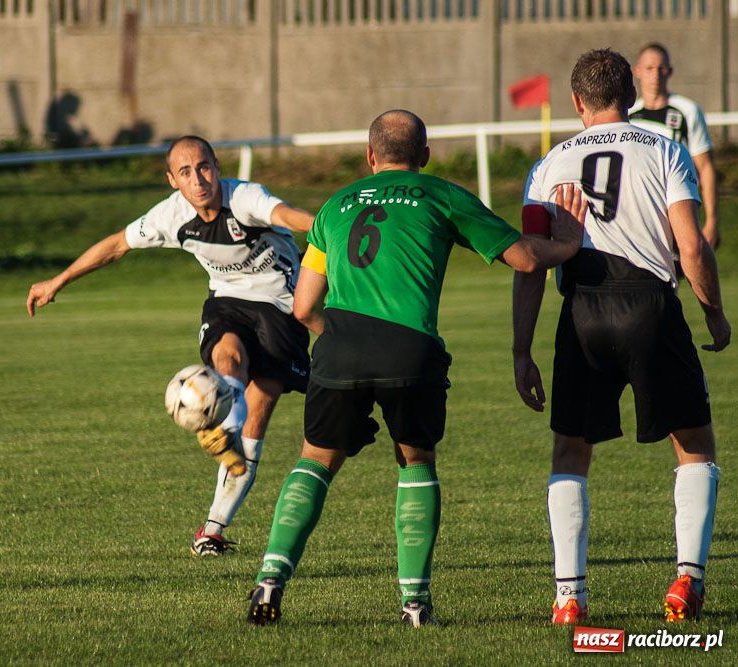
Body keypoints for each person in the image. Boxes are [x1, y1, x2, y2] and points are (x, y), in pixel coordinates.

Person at [246, 109, 585, 627]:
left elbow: (304, 306)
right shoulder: (443, 196)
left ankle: (270, 579)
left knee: (314, 462)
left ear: (370, 155)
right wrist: (568, 243)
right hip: (410, 351)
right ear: (425, 156)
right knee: (416, 462)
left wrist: (344, 345)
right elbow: (525, 258)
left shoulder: (335, 205)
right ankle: (414, 604)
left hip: (339, 348)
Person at [513, 48, 729, 625]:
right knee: (694, 443)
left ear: (577, 102)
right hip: (650, 305)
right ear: (631, 97)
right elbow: (690, 245)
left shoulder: (549, 166)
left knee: (570, 451)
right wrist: (713, 313)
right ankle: (687, 580)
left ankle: (569, 598)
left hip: (581, 308)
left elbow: (529, 262)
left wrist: (520, 350)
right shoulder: (664, 149)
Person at [26, 136, 315, 556]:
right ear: (172, 180)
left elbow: (286, 214)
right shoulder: (172, 215)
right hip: (229, 301)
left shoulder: (245, 198)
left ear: (217, 167)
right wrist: (57, 281)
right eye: (185, 172)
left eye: (204, 167)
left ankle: (215, 520)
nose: (198, 179)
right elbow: (117, 245)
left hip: (282, 307)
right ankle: (221, 445)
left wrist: (327, 223)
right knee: (228, 357)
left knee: (258, 416)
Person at [629, 43, 718, 247]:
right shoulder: (629, 115)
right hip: (641, 213)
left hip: (678, 207)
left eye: (661, 68)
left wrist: (712, 220)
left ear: (670, 71)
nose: (656, 75)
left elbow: (705, 167)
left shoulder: (687, 110)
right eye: (649, 68)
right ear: (637, 71)